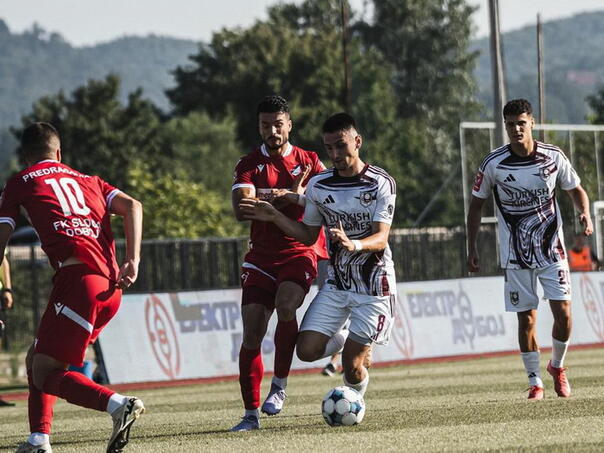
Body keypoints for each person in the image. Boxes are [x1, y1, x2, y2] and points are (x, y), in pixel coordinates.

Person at [0, 123, 145, 452]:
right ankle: (39, 439)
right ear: (59, 153)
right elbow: (133, 206)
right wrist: (133, 260)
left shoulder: (20, 182)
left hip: (78, 283)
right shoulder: (89, 180)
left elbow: (1, 239)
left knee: (43, 372)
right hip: (110, 287)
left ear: (26, 156)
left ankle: (118, 404)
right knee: (37, 358)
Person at [240, 112, 396, 402]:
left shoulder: (380, 182)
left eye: (341, 145)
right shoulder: (319, 184)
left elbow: (381, 238)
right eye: (329, 148)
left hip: (374, 286)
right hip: (337, 284)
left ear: (357, 141)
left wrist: (353, 244)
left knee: (352, 366)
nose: (335, 154)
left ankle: (355, 401)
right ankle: (348, 338)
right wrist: (274, 216)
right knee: (306, 350)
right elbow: (307, 235)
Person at [467, 99, 593, 401]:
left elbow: (576, 190)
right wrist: (472, 246)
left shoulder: (553, 156)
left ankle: (557, 366)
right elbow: (476, 205)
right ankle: (535, 381)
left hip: (552, 250)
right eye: (510, 124)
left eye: (521, 123)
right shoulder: (493, 163)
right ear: (505, 126)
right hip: (515, 254)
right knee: (526, 319)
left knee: (564, 313)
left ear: (532, 123)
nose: (516, 129)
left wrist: (585, 213)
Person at [230, 95, 327, 431]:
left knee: (287, 306)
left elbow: (325, 202)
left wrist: (280, 198)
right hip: (260, 257)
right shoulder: (248, 163)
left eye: (278, 124)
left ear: (289, 125)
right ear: (259, 127)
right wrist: (288, 195)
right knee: (252, 331)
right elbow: (242, 208)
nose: (272, 131)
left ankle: (280, 386)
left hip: (298, 250)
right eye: (265, 125)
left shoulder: (310, 161)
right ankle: (250, 415)